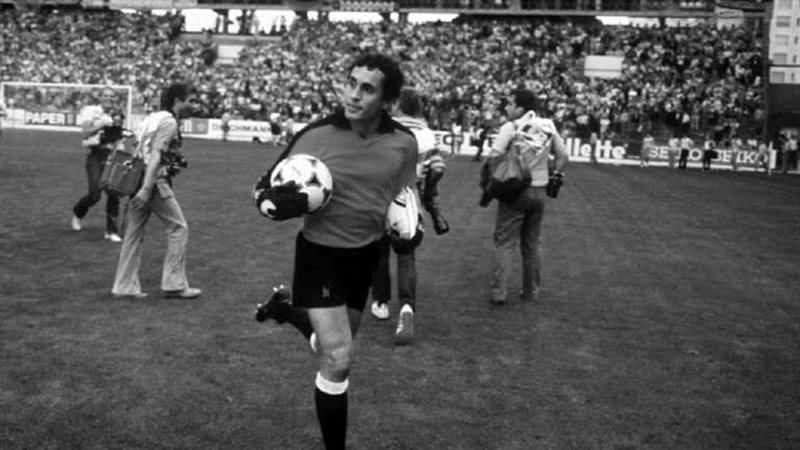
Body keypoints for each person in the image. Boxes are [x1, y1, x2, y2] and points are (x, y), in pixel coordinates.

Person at [252, 54, 418, 450]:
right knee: (339, 358)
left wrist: (410, 226)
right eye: (351, 83)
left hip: (366, 257)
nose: (354, 95)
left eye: (367, 89)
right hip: (319, 256)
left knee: (332, 346)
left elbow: (403, 195)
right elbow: (262, 190)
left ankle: (284, 310)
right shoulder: (314, 135)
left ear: (387, 100)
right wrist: (276, 204)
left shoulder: (404, 143)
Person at [369, 86, 449, 346]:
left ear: (398, 105)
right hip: (409, 198)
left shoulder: (382, 129)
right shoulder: (427, 134)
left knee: (379, 251)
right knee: (406, 255)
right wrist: (428, 192)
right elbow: (438, 168)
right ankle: (406, 307)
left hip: (380, 197)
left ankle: (381, 302)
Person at [111, 82, 202, 300]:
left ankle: (124, 286)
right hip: (152, 183)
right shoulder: (169, 122)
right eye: (191, 101)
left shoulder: (152, 118)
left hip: (136, 178)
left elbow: (134, 147)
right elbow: (155, 155)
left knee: (133, 234)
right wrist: (147, 187)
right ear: (177, 101)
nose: (195, 106)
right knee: (178, 227)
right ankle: (174, 284)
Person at [486, 89, 568, 305]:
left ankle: (499, 293)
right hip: (539, 190)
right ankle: (530, 291)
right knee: (532, 244)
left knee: (505, 243)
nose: (506, 107)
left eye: (510, 104)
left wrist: (494, 181)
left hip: (515, 190)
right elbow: (563, 155)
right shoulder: (548, 125)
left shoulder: (511, 127)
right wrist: (556, 176)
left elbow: (493, 157)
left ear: (521, 108)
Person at [70, 88, 123, 242]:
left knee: (113, 192)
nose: (109, 98)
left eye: (112, 96)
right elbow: (85, 132)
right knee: (95, 194)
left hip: (111, 155)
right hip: (94, 155)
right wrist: (103, 124)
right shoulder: (91, 111)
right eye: (105, 95)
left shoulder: (116, 115)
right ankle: (78, 213)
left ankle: (111, 231)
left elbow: (116, 137)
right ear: (100, 97)